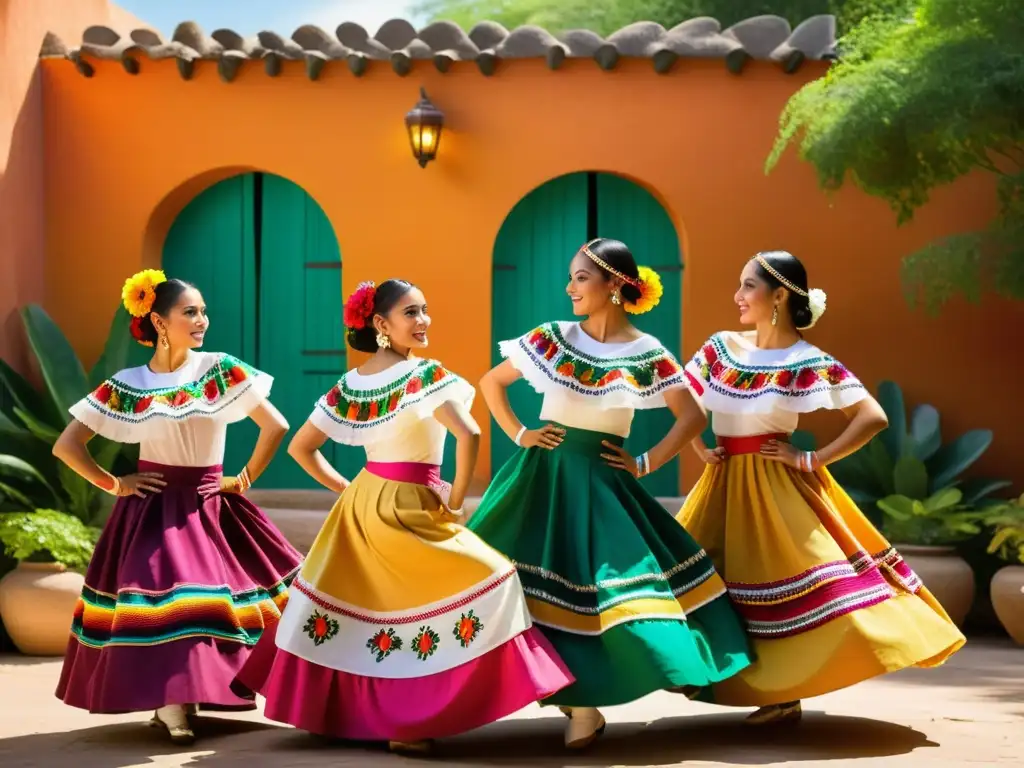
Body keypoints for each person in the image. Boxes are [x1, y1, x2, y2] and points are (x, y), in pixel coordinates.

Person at [235, 278, 573, 754]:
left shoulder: (352, 383)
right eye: (412, 312)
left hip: (362, 505)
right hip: (411, 503)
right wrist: (456, 500)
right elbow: (470, 433)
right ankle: (410, 722)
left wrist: (348, 489)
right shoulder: (424, 376)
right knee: (488, 579)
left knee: (370, 613)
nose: (423, 321)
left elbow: (301, 448)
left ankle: (353, 716)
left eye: (424, 310)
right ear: (380, 323)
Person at [466, 238, 754, 749]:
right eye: (572, 276)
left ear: (615, 285)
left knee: (599, 594)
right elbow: (491, 382)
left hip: (602, 484)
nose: (569, 287)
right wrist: (518, 434)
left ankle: (587, 704)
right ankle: (571, 705)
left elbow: (691, 416)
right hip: (539, 477)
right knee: (497, 583)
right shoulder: (553, 337)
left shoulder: (646, 352)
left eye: (580, 277)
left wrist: (646, 462)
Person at [677, 250, 966, 725]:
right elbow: (684, 401)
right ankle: (730, 679)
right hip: (724, 483)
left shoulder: (806, 359)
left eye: (748, 286)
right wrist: (698, 448)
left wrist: (812, 458)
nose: (738, 296)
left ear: (780, 296)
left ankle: (786, 692)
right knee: (713, 582)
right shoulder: (721, 347)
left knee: (793, 584)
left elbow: (873, 416)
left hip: (777, 487)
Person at [52, 269, 303, 745]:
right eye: (191, 311)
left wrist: (243, 479)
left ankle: (181, 699)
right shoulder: (129, 382)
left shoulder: (219, 368)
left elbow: (276, 426)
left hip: (209, 504)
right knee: (163, 602)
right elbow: (67, 445)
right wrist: (115, 483)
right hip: (150, 507)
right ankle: (171, 702)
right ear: (160, 322)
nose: (203, 319)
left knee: (217, 604)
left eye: (204, 311)